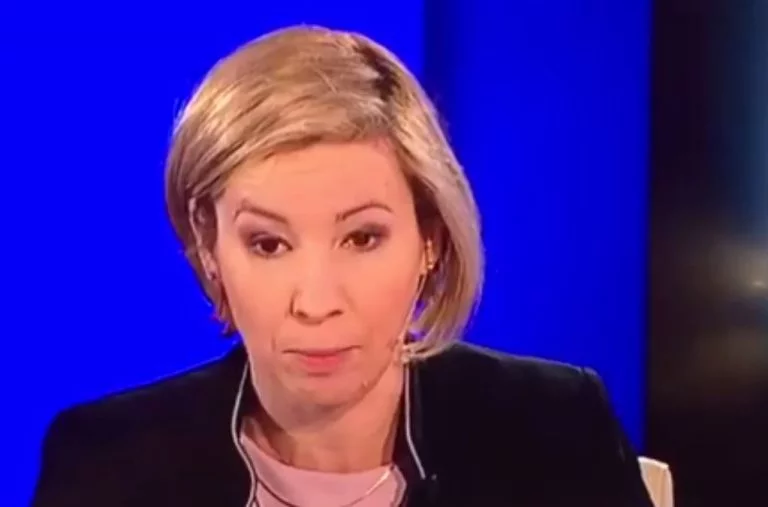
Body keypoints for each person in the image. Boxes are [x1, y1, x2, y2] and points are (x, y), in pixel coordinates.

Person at [32, 25, 652, 507]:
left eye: (361, 238)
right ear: (210, 246)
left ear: (430, 240)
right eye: (268, 244)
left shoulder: (555, 428)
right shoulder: (107, 461)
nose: (316, 302)